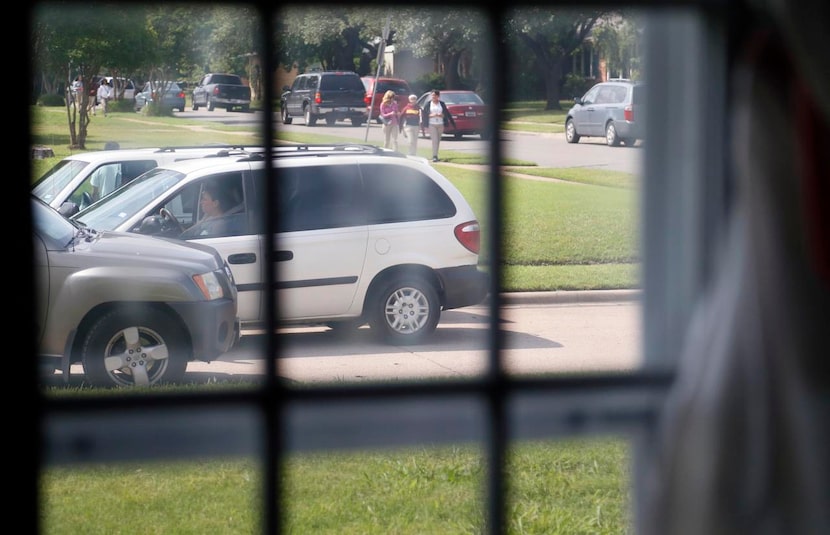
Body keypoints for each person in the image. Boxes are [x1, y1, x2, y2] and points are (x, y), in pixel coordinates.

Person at [421, 89, 456, 162]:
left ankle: (436, 154)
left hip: (440, 124)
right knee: (435, 140)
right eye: (432, 95)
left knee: (438, 140)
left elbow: (446, 113)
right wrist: (431, 115)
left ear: (438, 96)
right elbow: (424, 114)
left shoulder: (442, 104)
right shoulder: (428, 104)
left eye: (435, 95)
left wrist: (443, 116)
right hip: (432, 124)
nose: (433, 97)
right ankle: (434, 156)